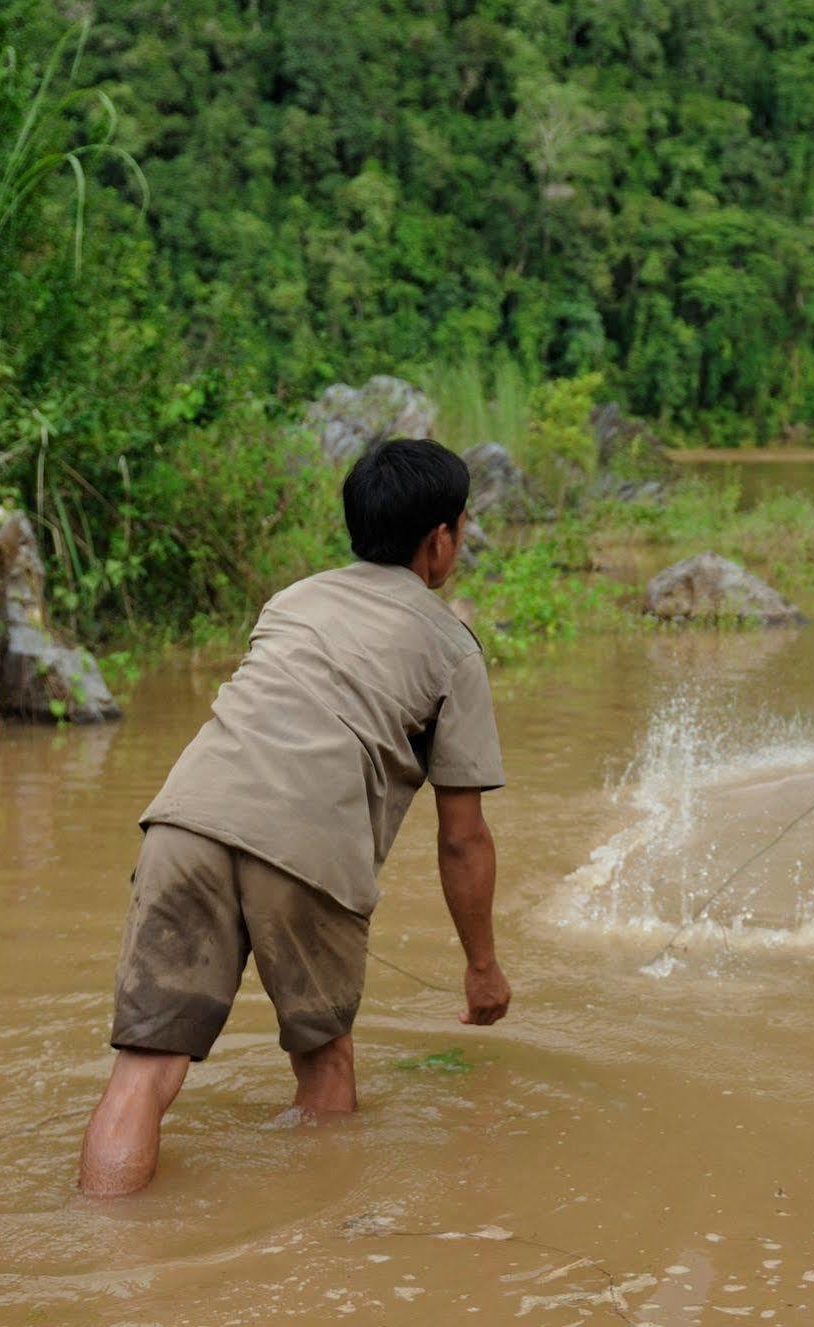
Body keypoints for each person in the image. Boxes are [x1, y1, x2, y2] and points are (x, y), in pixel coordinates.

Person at [77, 437, 510, 1197]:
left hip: (185, 821)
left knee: (143, 1071)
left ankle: (109, 1259)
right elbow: (462, 837)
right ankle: (318, 1255)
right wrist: (481, 967)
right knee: (324, 1062)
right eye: (461, 528)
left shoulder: (293, 599)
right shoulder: (452, 649)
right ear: (440, 539)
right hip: (307, 844)